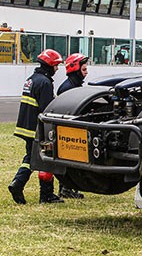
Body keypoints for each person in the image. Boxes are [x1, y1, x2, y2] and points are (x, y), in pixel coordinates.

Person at [8, 49, 64, 204]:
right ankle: (44, 194)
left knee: (31, 158)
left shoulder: (31, 79)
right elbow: (46, 109)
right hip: (36, 129)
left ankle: (18, 184)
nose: (57, 69)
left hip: (25, 127)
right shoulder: (45, 82)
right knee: (46, 159)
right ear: (49, 65)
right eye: (56, 66)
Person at [55, 53, 88, 198]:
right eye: (84, 69)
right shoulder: (68, 88)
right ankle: (66, 189)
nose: (86, 73)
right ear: (75, 68)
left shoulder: (74, 85)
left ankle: (68, 188)